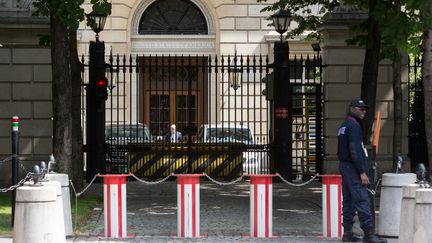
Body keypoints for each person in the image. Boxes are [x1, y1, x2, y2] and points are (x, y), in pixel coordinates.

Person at [337, 99, 387, 243]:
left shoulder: (344, 125)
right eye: (361, 109)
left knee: (348, 201)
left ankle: (347, 233)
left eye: (365, 109)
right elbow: (355, 150)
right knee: (361, 199)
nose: (364, 112)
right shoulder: (354, 126)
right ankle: (369, 234)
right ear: (352, 109)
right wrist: (362, 171)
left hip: (345, 166)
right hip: (353, 168)